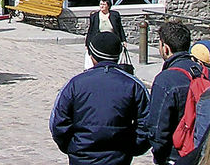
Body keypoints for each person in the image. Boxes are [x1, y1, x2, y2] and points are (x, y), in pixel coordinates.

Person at [49, 31, 150, 165]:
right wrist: (131, 148)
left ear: (92, 56)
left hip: (82, 157)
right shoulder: (134, 85)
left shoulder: (75, 84)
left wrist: (73, 147)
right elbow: (148, 123)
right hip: (118, 157)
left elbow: (58, 123)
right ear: (118, 55)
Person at [147, 21, 210, 165]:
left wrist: (159, 156)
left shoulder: (165, 80)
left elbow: (157, 129)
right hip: (209, 153)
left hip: (176, 155)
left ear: (166, 48)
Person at [84, 0, 127, 70]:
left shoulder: (115, 15)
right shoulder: (94, 16)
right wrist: (87, 43)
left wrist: (123, 40)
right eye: (100, 4)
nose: (102, 6)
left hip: (112, 40)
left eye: (104, 4)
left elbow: (120, 28)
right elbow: (91, 30)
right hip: (99, 40)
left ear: (108, 6)